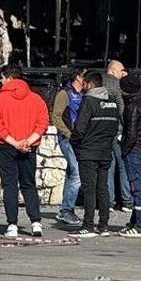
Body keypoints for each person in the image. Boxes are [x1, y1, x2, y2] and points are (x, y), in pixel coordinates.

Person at [0, 64, 51, 238]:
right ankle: (36, 222)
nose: (0, 81)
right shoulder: (36, 99)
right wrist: (28, 141)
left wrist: (14, 142)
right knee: (29, 184)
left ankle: (12, 224)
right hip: (29, 146)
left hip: (6, 144)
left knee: (9, 185)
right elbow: (43, 122)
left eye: (2, 78)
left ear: (9, 78)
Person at [70, 71, 119, 236]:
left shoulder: (88, 101)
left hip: (88, 152)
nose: (82, 87)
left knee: (89, 189)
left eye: (84, 84)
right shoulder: (112, 103)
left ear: (90, 84)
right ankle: (103, 225)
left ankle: (88, 225)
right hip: (105, 151)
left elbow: (79, 129)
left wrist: (74, 143)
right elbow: (115, 127)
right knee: (103, 188)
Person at [118, 75, 141, 237]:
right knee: (139, 185)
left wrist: (124, 150)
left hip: (135, 151)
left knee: (137, 188)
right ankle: (134, 222)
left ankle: (140, 225)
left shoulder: (131, 107)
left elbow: (131, 134)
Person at [49, 67, 86, 226]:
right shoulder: (65, 93)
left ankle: (65, 209)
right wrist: (67, 133)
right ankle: (66, 210)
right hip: (68, 138)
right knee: (77, 173)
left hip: (80, 139)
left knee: (72, 172)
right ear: (77, 77)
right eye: (85, 76)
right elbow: (55, 116)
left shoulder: (84, 94)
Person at [103, 60, 130, 212]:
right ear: (113, 71)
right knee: (123, 165)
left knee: (108, 167)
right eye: (121, 71)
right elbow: (122, 108)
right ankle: (127, 201)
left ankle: (109, 201)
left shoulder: (99, 82)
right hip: (117, 130)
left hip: (103, 131)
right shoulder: (117, 85)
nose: (122, 73)